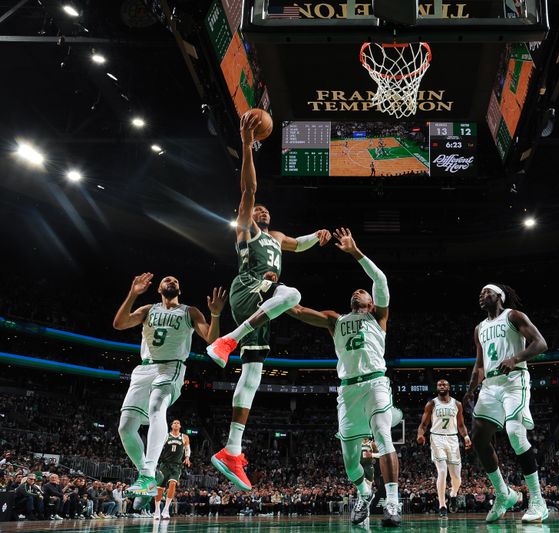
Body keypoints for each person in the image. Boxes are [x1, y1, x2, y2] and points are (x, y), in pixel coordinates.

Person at [205, 114, 331, 490]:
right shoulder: (247, 228)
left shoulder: (276, 239)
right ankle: (226, 340)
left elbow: (301, 243)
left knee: (254, 375)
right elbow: (248, 191)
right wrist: (246, 145)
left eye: (264, 211)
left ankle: (231, 449)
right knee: (292, 295)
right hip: (246, 289)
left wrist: (320, 235)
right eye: (257, 210)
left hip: (260, 303)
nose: (261, 211)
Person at [286, 228, 402, 527]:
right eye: (355, 292)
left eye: (362, 292)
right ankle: (364, 493)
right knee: (351, 466)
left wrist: (354, 252)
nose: (357, 292)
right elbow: (297, 310)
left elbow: (380, 280)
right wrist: (274, 290)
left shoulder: (378, 318)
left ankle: (392, 502)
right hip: (347, 391)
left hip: (376, 382)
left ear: (372, 303)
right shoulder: (335, 320)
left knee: (384, 436)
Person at [114, 273, 226, 497]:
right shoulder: (147, 310)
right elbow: (119, 324)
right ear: (159, 289)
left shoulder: (189, 311)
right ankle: (148, 477)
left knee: (157, 407)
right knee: (125, 428)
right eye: (167, 280)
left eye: (175, 281)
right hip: (144, 368)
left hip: (171, 367)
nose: (171, 281)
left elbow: (211, 340)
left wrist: (215, 314)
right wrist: (132, 294)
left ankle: (147, 474)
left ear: (179, 290)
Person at [462, 283, 549, 523]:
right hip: (490, 385)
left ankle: (538, 501)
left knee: (514, 433)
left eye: (486, 292)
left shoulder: (513, 315)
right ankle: (504, 494)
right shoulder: (479, 327)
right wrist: (470, 390)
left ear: (499, 296)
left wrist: (515, 358)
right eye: (479, 293)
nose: (482, 295)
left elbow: (541, 343)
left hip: (514, 380)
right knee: (478, 438)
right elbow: (479, 365)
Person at [416, 379, 472, 517]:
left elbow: (460, 425)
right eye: (439, 385)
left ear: (449, 387)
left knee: (457, 477)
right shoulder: (432, 403)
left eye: (444, 384)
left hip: (452, 439)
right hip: (436, 438)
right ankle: (442, 504)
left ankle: (453, 494)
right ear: (437, 388)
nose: (442, 386)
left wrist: (466, 437)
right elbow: (423, 424)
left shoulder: (457, 404)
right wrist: (420, 435)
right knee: (442, 471)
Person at [154, 419, 191, 520]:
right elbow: (159, 447)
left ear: (180, 426)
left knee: (173, 484)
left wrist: (187, 457)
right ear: (171, 426)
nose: (176, 424)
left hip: (176, 465)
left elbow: (187, 449)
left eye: (178, 423)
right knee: (160, 488)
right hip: (164, 464)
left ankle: (166, 510)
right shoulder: (166, 436)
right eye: (174, 423)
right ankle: (157, 510)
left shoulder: (184, 437)